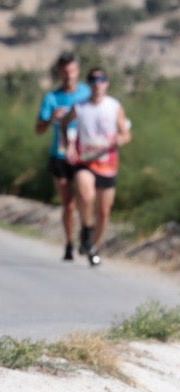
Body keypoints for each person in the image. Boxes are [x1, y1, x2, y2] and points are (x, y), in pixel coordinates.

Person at [67, 67, 132, 268]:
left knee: (104, 211)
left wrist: (121, 139)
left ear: (107, 83)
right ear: (89, 84)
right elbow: (64, 124)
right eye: (94, 79)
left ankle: (94, 247)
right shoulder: (80, 107)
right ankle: (86, 229)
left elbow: (126, 133)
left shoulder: (114, 107)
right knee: (86, 196)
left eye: (102, 79)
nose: (98, 83)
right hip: (85, 161)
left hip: (108, 163)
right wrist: (68, 144)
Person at [36, 52, 92, 261]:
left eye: (73, 71)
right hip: (59, 155)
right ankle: (69, 242)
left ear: (78, 71)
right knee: (68, 203)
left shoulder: (87, 94)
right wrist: (52, 118)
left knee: (86, 197)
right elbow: (38, 129)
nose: (69, 75)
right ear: (60, 72)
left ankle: (86, 233)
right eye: (65, 72)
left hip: (83, 154)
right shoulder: (51, 98)